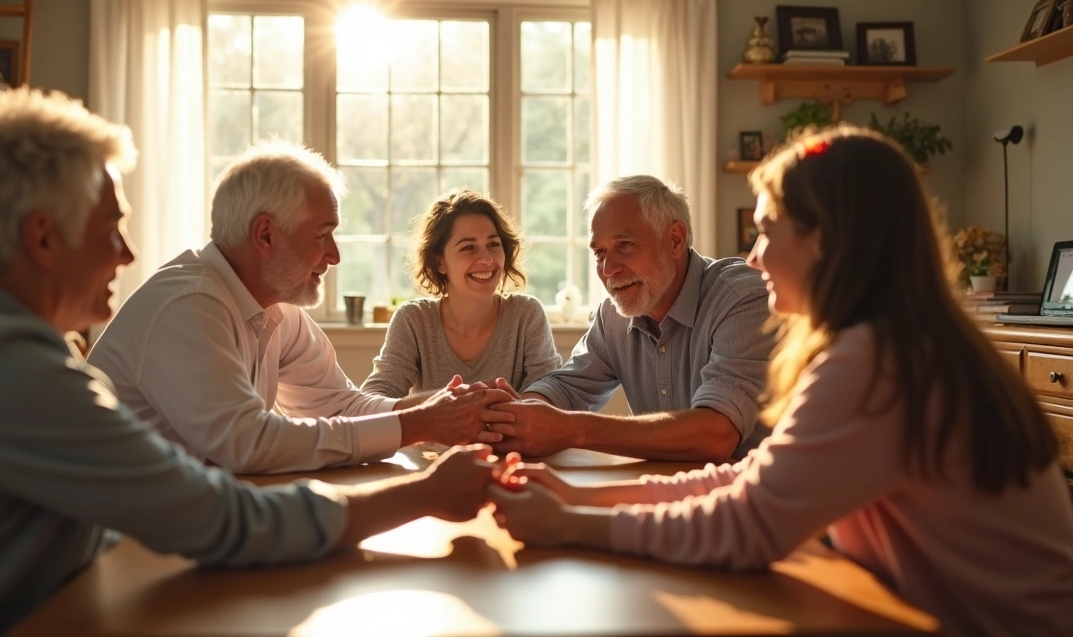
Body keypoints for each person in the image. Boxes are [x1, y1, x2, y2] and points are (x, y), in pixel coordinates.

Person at [0, 88, 501, 635]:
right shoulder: (7, 369)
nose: (128, 254)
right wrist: (423, 493)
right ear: (43, 237)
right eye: (111, 227)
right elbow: (222, 519)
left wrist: (421, 414)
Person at [489, 127, 1073, 635]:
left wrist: (572, 524)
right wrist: (578, 495)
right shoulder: (893, 340)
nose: (755, 256)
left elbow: (748, 525)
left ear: (825, 238)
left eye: (768, 230)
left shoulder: (874, 359)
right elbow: (749, 480)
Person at [88, 141, 512, 475]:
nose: (334, 255)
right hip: (119, 543)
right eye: (321, 235)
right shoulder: (189, 306)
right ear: (266, 234)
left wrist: (438, 408)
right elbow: (249, 444)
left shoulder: (277, 310)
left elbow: (341, 405)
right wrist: (421, 424)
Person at [490, 175, 774, 461]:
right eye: (599, 252)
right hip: (667, 492)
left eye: (624, 245)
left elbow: (716, 434)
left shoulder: (743, 297)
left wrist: (571, 428)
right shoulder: (612, 314)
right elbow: (567, 387)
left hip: (761, 500)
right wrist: (514, 413)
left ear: (675, 240)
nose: (608, 269)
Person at [361, 189, 559, 400]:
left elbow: (551, 391)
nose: (487, 259)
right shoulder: (414, 320)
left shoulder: (526, 314)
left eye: (493, 244)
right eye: (468, 248)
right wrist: (442, 406)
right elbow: (376, 394)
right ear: (440, 262)